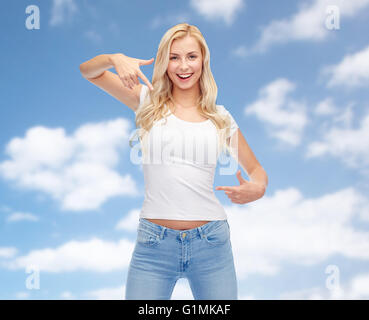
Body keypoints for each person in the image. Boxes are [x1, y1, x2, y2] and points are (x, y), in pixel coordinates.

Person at [79, 23, 268, 300]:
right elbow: (88, 72)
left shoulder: (220, 117)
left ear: (203, 60)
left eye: (191, 56)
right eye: (174, 57)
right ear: (165, 61)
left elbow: (256, 170)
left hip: (211, 244)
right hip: (153, 245)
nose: (183, 66)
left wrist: (258, 187)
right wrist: (114, 58)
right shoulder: (146, 101)